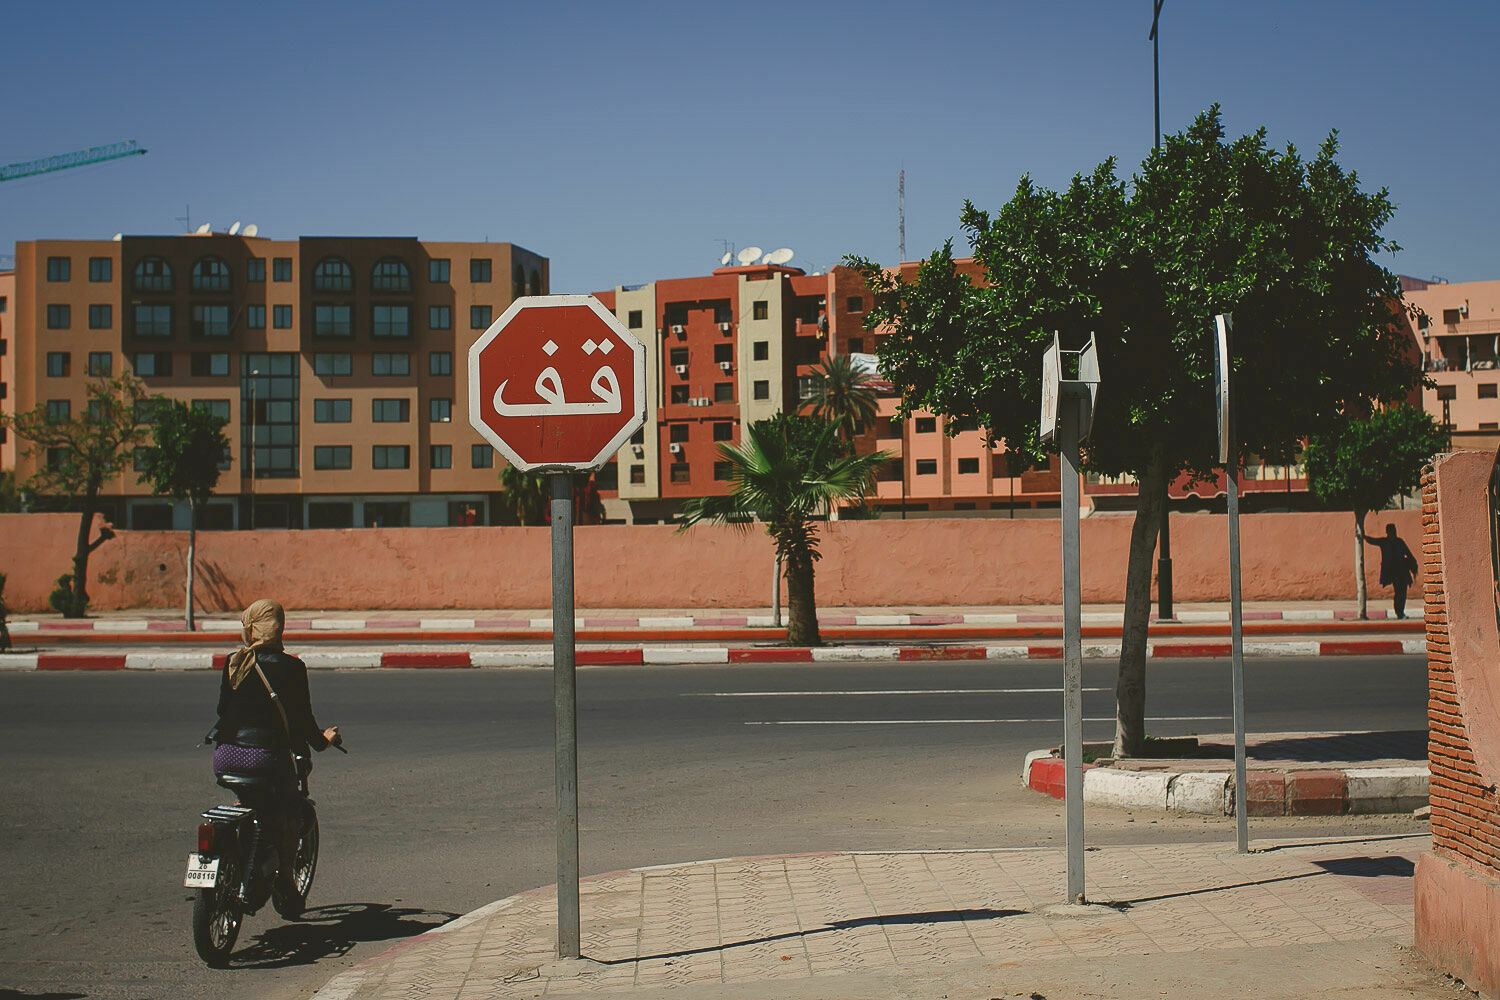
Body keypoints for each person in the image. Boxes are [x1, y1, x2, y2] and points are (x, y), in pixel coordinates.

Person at [208, 599, 338, 901]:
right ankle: (287, 882)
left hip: (226, 757)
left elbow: (222, 710)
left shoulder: (235, 661)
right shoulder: (292, 667)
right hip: (266, 760)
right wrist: (324, 740)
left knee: (250, 799)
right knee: (290, 812)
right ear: (279, 628)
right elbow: (304, 722)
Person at [1364, 521, 1420, 619]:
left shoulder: (1398, 542)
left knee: (1401, 592)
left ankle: (1400, 612)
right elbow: (1372, 540)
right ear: (1388, 532)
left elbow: (1408, 554)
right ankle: (1399, 612)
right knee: (1400, 592)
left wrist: (1413, 564)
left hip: (1401, 570)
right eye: (1391, 531)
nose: (1393, 533)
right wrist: (1363, 536)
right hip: (1394, 571)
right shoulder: (1386, 542)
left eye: (1393, 530)